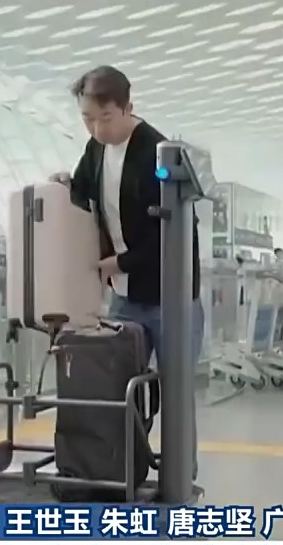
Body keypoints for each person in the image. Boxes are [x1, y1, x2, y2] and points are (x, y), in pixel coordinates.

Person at [49, 65, 204, 473]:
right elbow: (85, 191)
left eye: (105, 118)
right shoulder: (95, 150)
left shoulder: (156, 151)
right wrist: (67, 184)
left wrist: (120, 261)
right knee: (116, 387)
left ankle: (179, 477)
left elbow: (173, 231)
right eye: (87, 119)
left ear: (127, 108)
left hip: (170, 298)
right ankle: (122, 470)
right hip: (124, 297)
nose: (97, 129)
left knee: (174, 392)